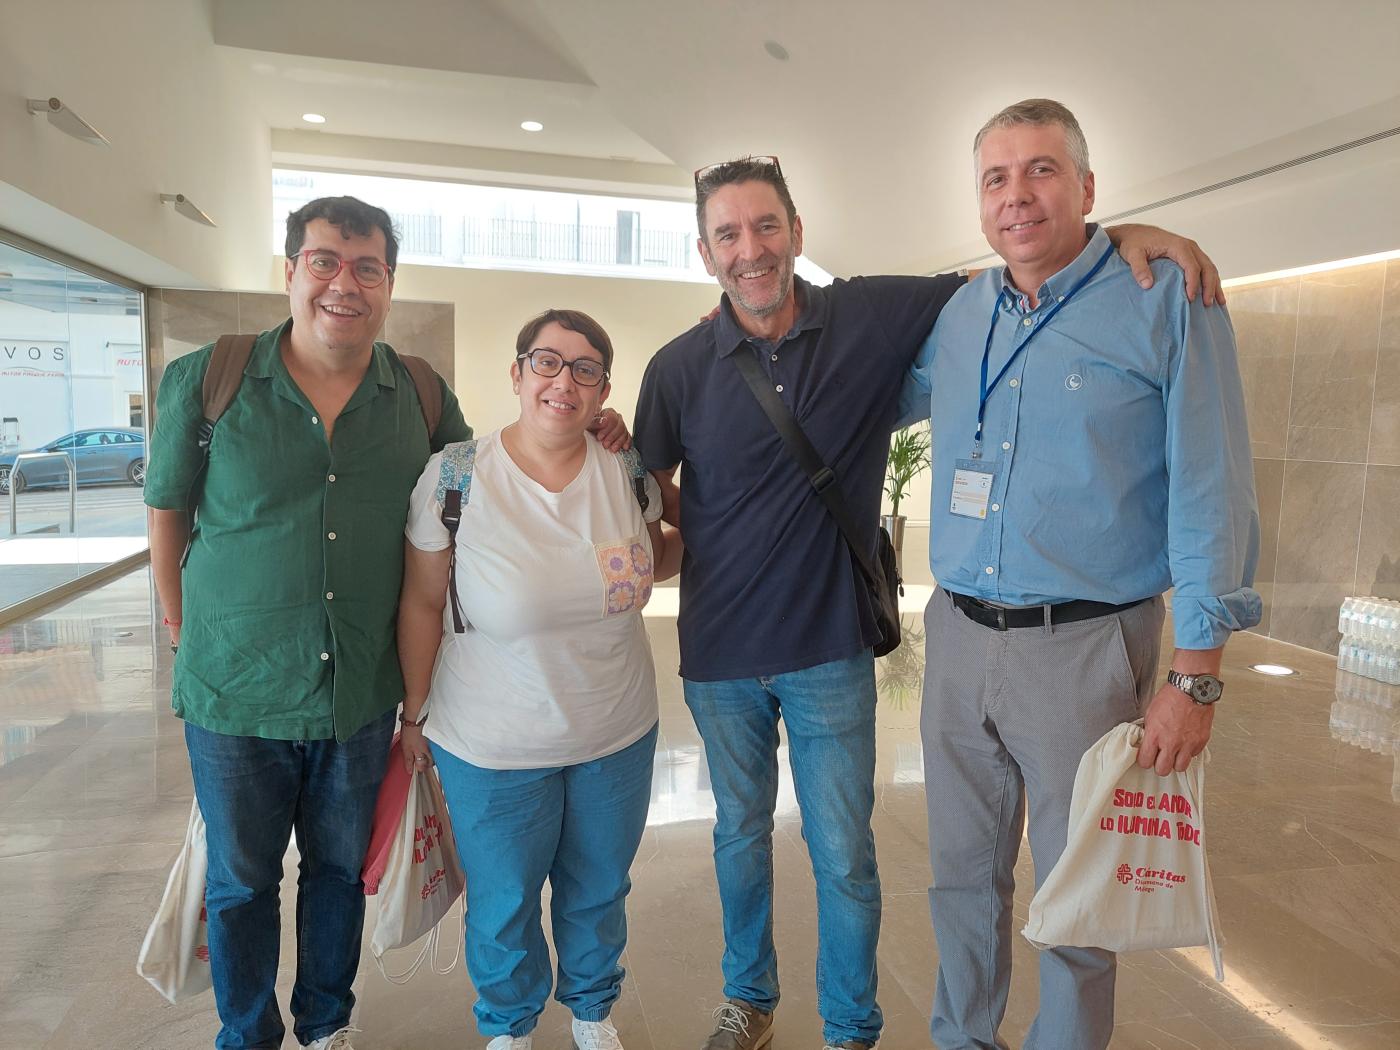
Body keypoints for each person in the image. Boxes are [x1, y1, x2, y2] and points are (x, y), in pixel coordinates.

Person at [632, 155, 1224, 1050]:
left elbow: (1025, 260)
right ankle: (750, 997)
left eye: (764, 227)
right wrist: (696, 535)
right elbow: (652, 492)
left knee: (848, 855)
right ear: (705, 250)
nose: (748, 249)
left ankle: (849, 1027)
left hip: (834, 647)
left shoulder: (875, 314)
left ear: (797, 232)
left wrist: (1121, 238)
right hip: (723, 653)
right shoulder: (678, 366)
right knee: (745, 840)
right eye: (727, 233)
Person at [144, 199, 627, 1050]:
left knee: (338, 873)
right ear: (289, 271)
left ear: (389, 286)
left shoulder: (416, 392)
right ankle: (247, 1033)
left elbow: (487, 481)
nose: (345, 283)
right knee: (241, 880)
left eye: (368, 268)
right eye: (325, 261)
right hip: (235, 687)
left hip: (361, 687)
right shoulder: (209, 379)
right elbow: (167, 511)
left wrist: (587, 428)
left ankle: (327, 1023)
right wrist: (181, 628)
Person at [899, 99, 1260, 1050]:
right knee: (959, 878)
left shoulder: (1166, 297)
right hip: (957, 638)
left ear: (1090, 188)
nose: (1018, 195)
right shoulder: (961, 310)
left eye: (1043, 171)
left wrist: (1195, 674)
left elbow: (1210, 491)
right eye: (996, 177)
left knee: (1078, 892)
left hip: (1086, 646)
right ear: (978, 201)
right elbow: (842, 381)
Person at [396, 309, 682, 1050]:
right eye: (547, 362)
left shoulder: (624, 471)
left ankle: (591, 1013)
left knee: (598, 890)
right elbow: (424, 598)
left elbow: (661, 557)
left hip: (615, 732)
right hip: (491, 741)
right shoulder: (457, 475)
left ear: (603, 390)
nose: (565, 380)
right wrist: (414, 713)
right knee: (503, 901)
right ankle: (510, 1027)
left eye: (585, 368)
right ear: (518, 374)